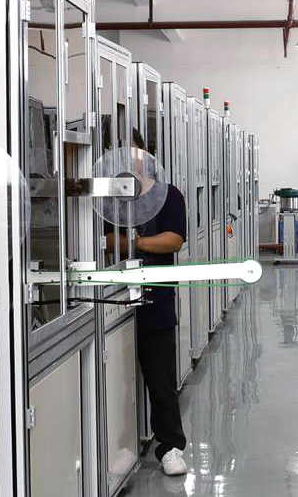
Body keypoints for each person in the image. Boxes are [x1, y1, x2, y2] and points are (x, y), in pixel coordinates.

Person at [127, 163, 192, 476]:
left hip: (156, 302)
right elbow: (105, 241)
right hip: (111, 298)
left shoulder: (169, 196)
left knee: (161, 381)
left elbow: (173, 240)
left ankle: (171, 447)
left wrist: (135, 242)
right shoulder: (109, 199)